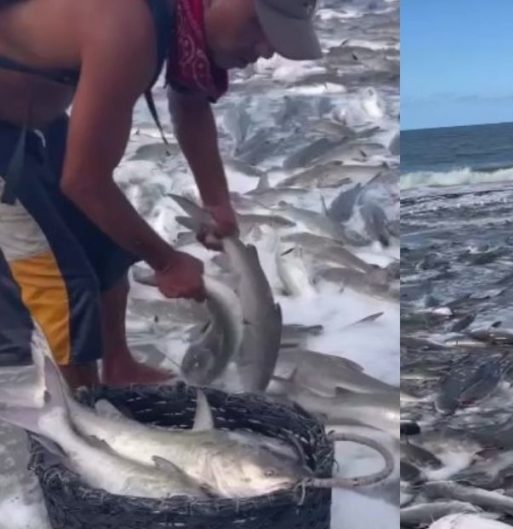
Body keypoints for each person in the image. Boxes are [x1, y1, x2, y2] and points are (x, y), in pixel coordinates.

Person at [0, 0, 321, 389]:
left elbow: (189, 100)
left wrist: (215, 200)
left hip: (34, 120)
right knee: (66, 284)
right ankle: (82, 415)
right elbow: (84, 182)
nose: (267, 48)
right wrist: (166, 262)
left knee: (108, 242)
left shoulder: (179, 21)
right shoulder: (128, 26)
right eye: (260, 25)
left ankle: (118, 366)